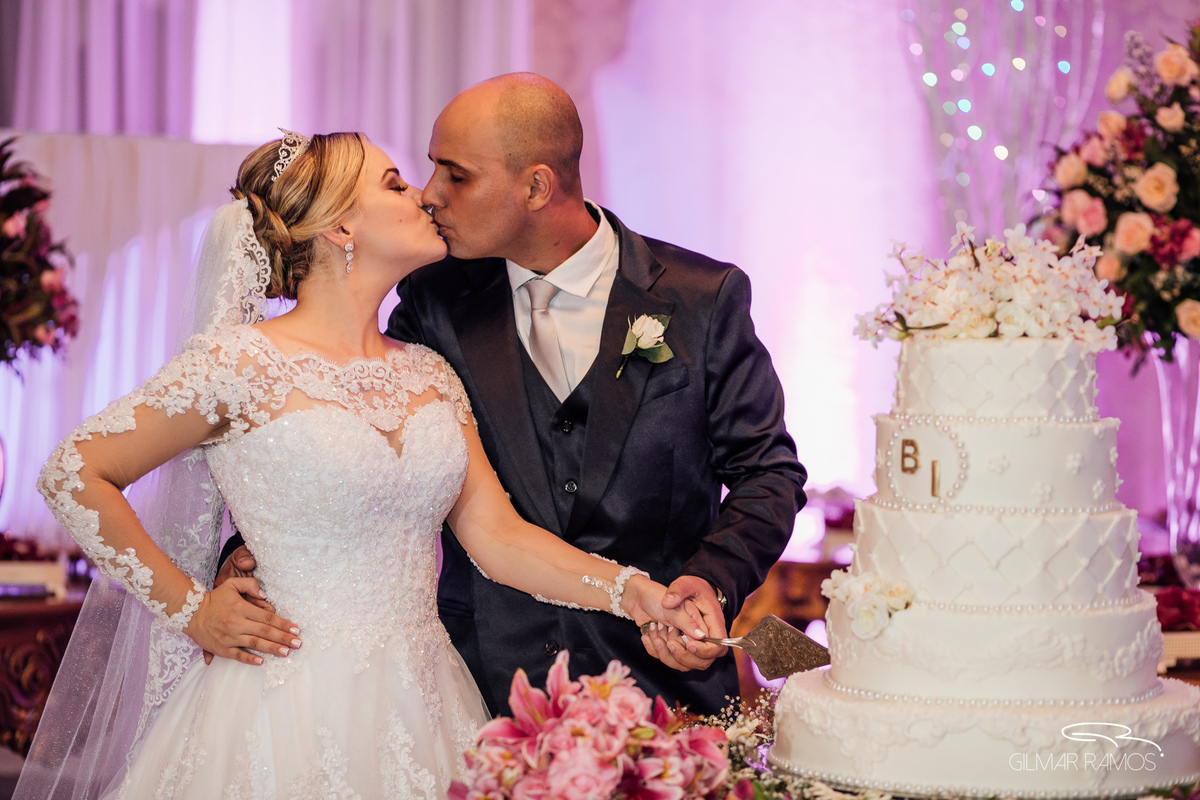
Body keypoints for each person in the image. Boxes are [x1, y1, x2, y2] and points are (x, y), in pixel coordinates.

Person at [17, 131, 706, 799]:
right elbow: (74, 472)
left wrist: (634, 591)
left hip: (428, 694)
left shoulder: (429, 372)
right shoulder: (239, 364)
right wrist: (192, 610)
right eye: (396, 183)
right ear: (341, 227)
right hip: (280, 701)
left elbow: (497, 538)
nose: (424, 196)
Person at [224, 73, 807, 716]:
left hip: (660, 681)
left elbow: (767, 472)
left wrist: (711, 581)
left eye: (456, 174)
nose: (430, 196)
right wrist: (248, 556)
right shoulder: (432, 300)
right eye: (427, 171)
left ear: (535, 185)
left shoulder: (703, 297)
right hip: (477, 687)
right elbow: (347, 432)